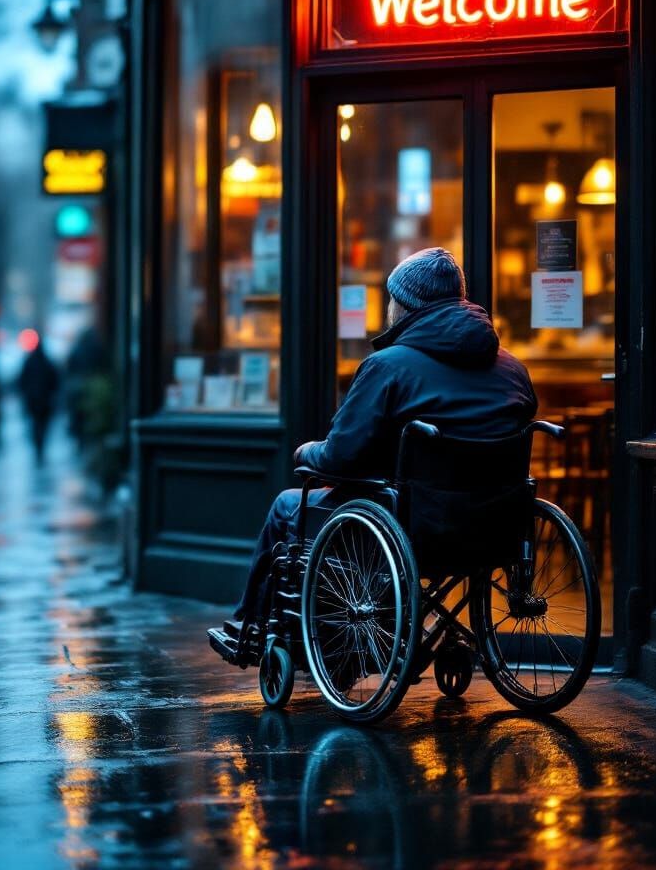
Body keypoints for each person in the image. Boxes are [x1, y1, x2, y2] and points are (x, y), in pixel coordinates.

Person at [208, 247, 537, 664]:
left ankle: (251, 629)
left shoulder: (388, 366)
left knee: (288, 506)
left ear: (404, 305)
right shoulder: (512, 368)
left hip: (417, 525)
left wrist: (307, 451)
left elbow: (340, 457)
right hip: (496, 526)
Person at [18, 337, 60, 463]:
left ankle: (38, 448)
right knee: (43, 425)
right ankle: (40, 448)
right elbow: (55, 380)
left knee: (36, 425)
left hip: (33, 400)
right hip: (44, 401)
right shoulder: (47, 361)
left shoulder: (29, 361)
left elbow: (21, 381)